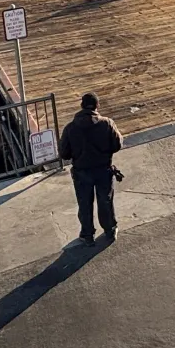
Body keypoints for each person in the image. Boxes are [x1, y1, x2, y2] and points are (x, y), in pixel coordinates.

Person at [58, 92, 123, 246]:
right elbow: (117, 144)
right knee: (105, 201)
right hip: (103, 170)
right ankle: (109, 230)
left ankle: (87, 235)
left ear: (81, 106)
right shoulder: (107, 123)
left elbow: (64, 154)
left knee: (84, 203)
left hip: (82, 172)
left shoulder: (70, 128)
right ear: (97, 106)